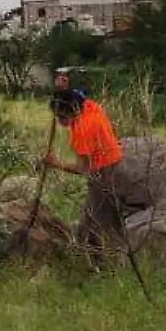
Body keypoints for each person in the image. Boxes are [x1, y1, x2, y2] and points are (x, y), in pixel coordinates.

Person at [43, 87, 125, 263]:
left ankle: (99, 269)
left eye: (61, 117)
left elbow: (83, 169)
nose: (58, 121)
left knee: (89, 227)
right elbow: (76, 93)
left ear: (71, 112)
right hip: (117, 165)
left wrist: (55, 163)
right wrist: (61, 86)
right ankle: (113, 261)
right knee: (109, 219)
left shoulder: (82, 130)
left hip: (102, 175)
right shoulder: (90, 106)